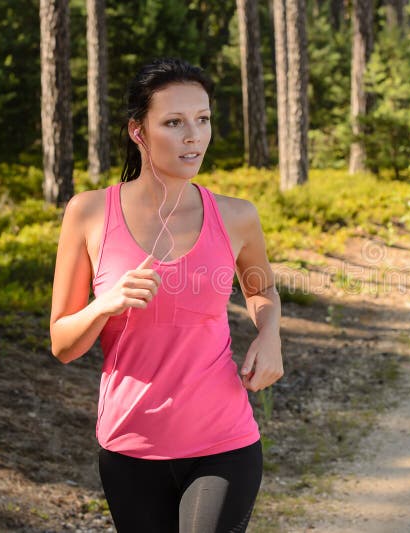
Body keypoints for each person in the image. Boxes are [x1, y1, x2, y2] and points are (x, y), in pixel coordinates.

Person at [49, 57, 283, 533]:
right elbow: (63, 344)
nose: (193, 136)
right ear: (139, 131)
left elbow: (261, 289)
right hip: (130, 444)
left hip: (224, 439)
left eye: (202, 119)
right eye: (174, 123)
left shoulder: (237, 216)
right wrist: (106, 304)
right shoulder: (89, 213)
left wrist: (271, 332)